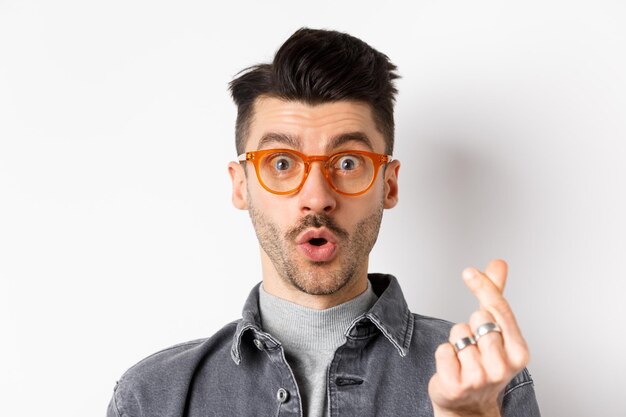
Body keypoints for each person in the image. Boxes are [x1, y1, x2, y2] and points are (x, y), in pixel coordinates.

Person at [107, 28, 541, 417]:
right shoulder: (152, 398)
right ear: (241, 186)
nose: (317, 197)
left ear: (388, 185)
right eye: (281, 162)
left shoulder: (486, 379)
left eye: (348, 162)